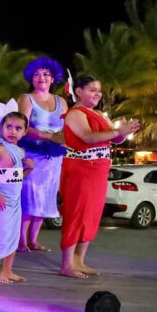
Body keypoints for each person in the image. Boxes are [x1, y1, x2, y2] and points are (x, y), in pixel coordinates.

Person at [59, 75, 140, 278]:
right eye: (92, 89)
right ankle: (67, 264)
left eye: (99, 90)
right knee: (77, 213)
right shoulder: (75, 114)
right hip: (81, 170)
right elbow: (88, 137)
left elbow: (115, 140)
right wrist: (115, 131)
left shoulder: (99, 115)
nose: (98, 94)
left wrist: (124, 131)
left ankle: (79, 260)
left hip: (98, 172)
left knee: (91, 215)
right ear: (78, 91)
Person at [17, 57, 68, 252]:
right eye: (37, 74)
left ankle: (34, 239)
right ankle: (21, 240)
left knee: (47, 196)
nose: (42, 78)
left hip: (54, 158)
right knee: (29, 196)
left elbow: (67, 127)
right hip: (32, 154)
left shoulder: (61, 101)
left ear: (53, 78)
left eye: (46, 74)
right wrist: (49, 136)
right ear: (31, 78)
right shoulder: (26, 99)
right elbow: (23, 126)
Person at [0, 111, 33, 283]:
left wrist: (29, 169)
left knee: (13, 234)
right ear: (2, 128)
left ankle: (8, 270)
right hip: (0, 199)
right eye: (8, 126)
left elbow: (16, 177)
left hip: (15, 200)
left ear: (25, 131)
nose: (12, 131)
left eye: (18, 128)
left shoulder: (20, 151)